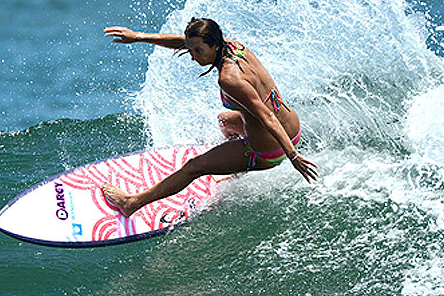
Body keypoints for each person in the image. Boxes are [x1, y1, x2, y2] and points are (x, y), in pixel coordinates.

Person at [102, 18, 318, 217]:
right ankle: (234, 163)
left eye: (198, 50)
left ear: (214, 45)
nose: (193, 56)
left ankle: (131, 203)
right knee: (225, 120)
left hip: (270, 148)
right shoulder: (235, 47)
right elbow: (183, 42)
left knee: (193, 167)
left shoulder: (228, 78)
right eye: (191, 50)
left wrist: (293, 156)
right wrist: (139, 36)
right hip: (292, 127)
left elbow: (267, 117)